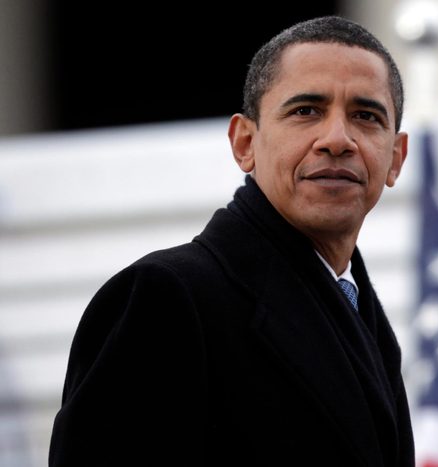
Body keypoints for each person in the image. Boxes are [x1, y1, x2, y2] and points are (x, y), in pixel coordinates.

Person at [49, 15, 414, 467]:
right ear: (245, 143)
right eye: (306, 111)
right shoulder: (166, 297)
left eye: (365, 116)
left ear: (394, 158)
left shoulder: (365, 319)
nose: (337, 139)